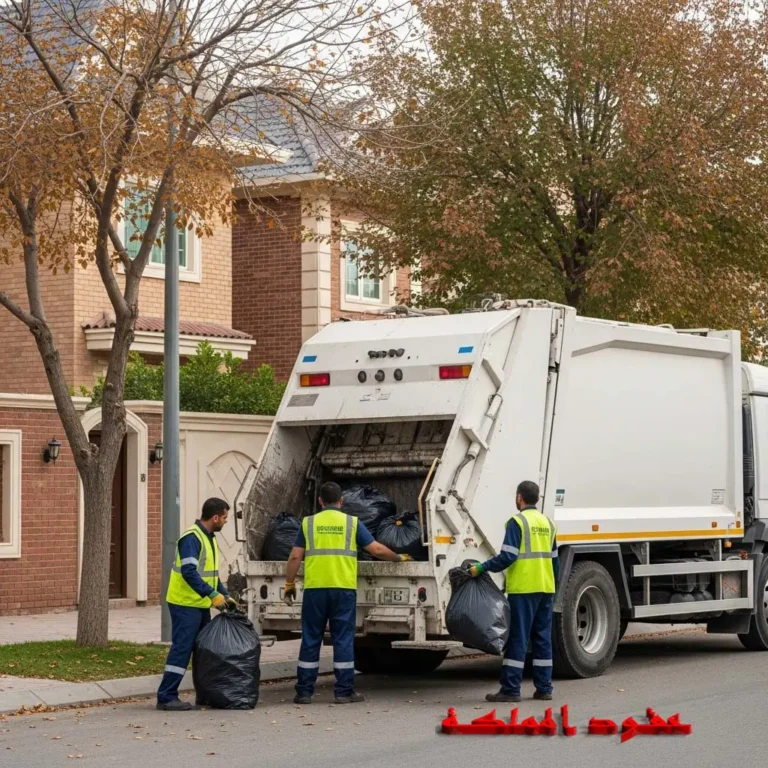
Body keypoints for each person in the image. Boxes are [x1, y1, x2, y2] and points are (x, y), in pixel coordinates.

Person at [284, 481, 412, 705]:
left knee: (311, 638)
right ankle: (343, 691)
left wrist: (289, 583)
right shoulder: (352, 523)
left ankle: (304, 692)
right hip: (343, 589)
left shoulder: (308, 523)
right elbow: (376, 549)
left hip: (315, 590)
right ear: (341, 501)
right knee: (343, 639)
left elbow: (295, 556)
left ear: (320, 501)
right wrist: (398, 557)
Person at [469, 480, 559, 703]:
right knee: (542, 639)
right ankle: (544, 688)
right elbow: (555, 561)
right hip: (546, 588)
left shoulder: (517, 522)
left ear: (520, 497)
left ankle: (510, 689)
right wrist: (553, 585)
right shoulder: (548, 523)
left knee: (518, 638)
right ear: (536, 498)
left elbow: (508, 556)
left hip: (524, 589)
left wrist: (482, 568)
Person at [156, 497, 237, 711]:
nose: (226, 522)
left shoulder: (208, 537)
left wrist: (224, 594)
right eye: (225, 518)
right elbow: (189, 572)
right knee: (183, 648)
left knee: (203, 649)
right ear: (215, 517)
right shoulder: (191, 538)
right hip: (184, 603)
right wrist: (212, 595)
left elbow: (210, 574)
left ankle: (204, 694)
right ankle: (166, 696)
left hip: (199, 603)